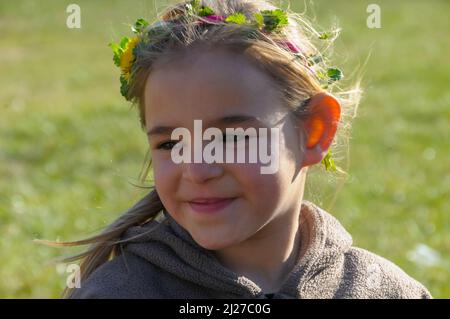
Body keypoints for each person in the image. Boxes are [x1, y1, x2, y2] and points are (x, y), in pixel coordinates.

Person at [55, 0, 431, 298]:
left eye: (232, 138)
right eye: (171, 143)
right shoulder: (118, 292)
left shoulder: (385, 290)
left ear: (315, 131)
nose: (198, 169)